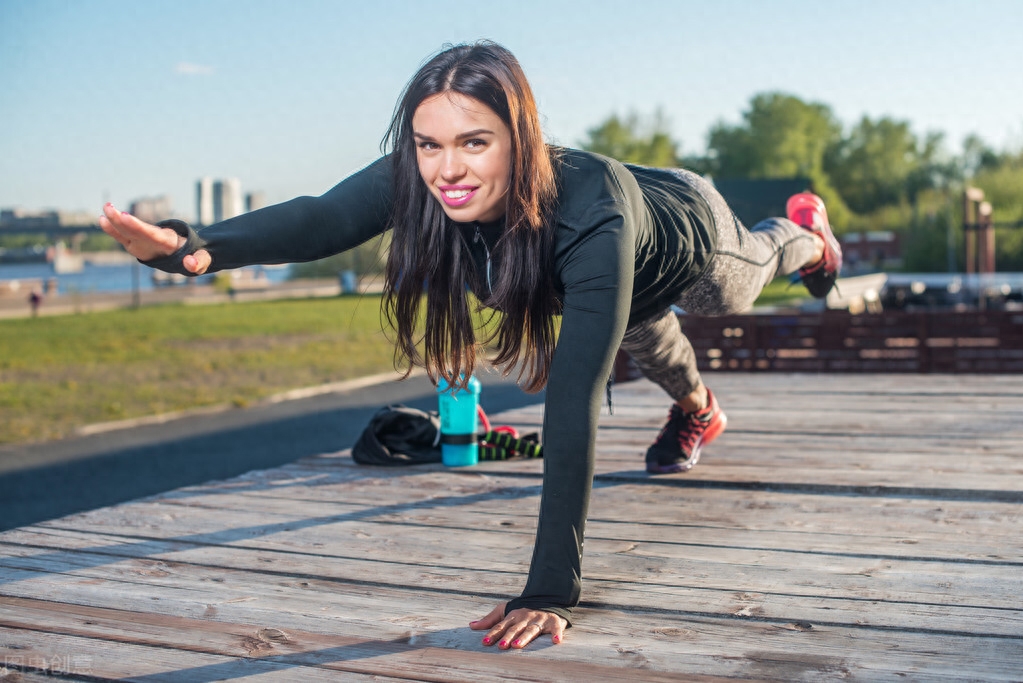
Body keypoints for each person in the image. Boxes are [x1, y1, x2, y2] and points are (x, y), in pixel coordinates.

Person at [99, 40, 841, 650]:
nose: (446, 169)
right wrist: (191, 249)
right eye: (428, 144)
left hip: (687, 228)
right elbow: (322, 217)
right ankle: (699, 410)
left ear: (518, 138)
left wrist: (551, 587)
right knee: (650, 340)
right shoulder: (428, 177)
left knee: (742, 281)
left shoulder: (592, 221)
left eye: (473, 143)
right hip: (623, 273)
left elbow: (574, 402)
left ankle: (811, 236)